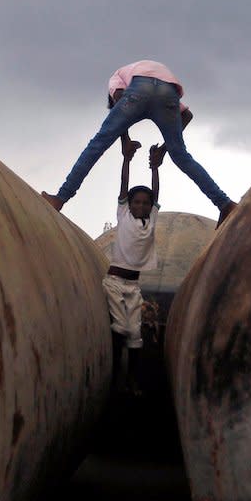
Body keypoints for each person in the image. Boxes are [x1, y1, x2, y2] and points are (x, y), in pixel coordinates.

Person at [41, 60, 238, 226]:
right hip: (168, 91)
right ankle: (225, 204)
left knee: (98, 144)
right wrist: (164, 150)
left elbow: (118, 99)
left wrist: (124, 140)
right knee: (182, 157)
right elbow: (187, 115)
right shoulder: (143, 71)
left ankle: (60, 198)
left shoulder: (116, 77)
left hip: (140, 87)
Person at [106, 142, 166, 396]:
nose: (141, 206)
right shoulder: (123, 215)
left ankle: (131, 380)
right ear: (128, 204)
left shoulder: (150, 219)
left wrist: (155, 167)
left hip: (133, 286)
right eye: (136, 202)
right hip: (115, 282)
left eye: (145, 203)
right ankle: (113, 377)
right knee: (120, 328)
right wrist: (127, 160)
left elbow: (156, 191)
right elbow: (123, 184)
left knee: (136, 337)